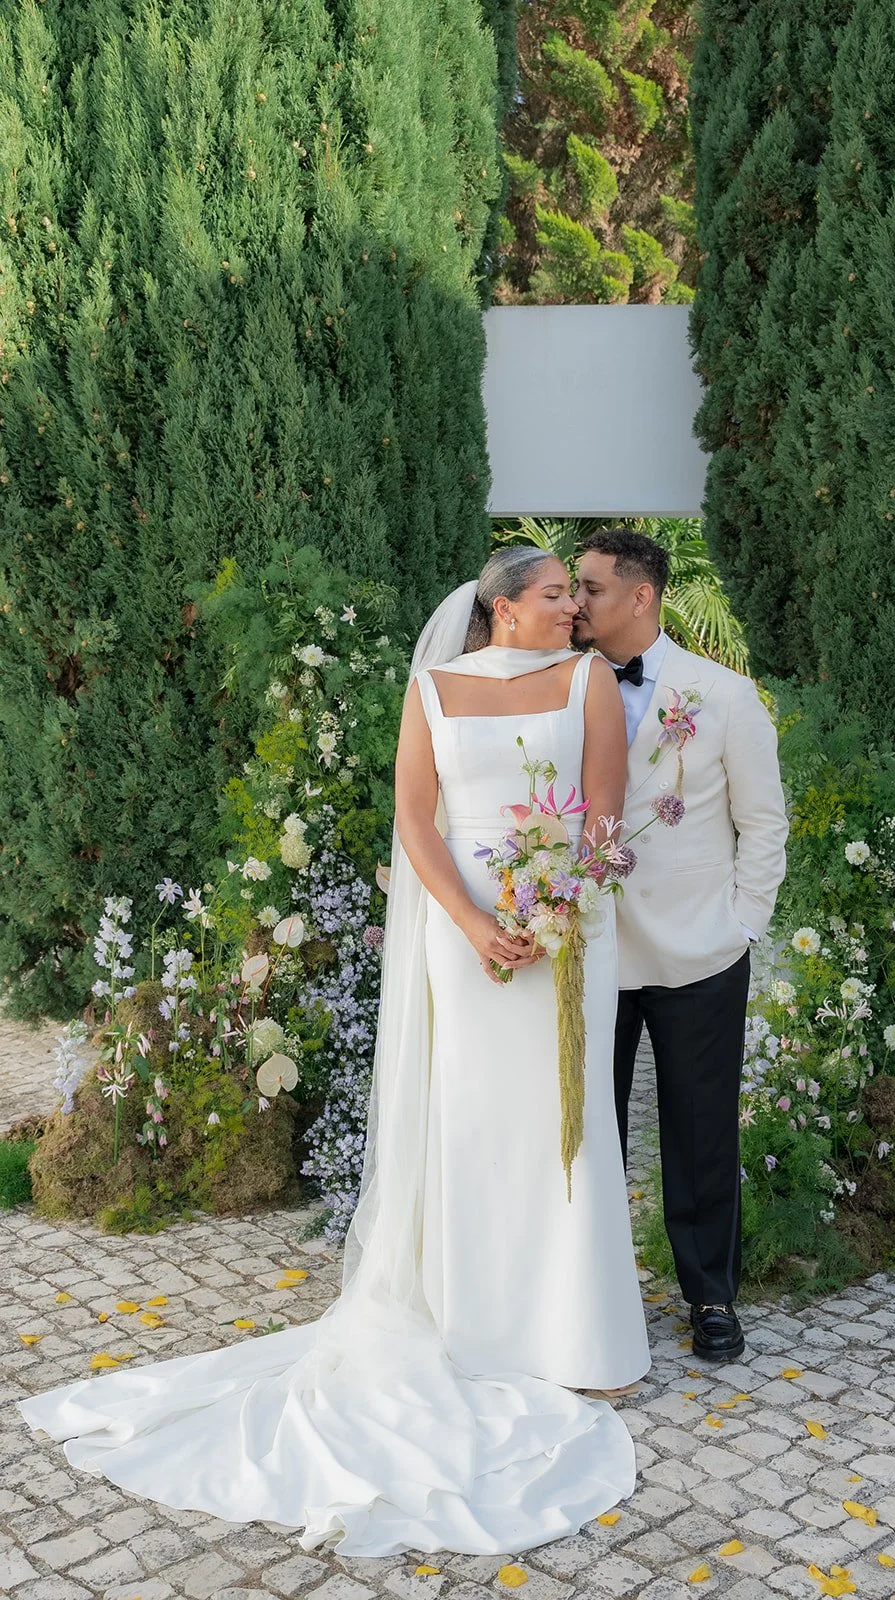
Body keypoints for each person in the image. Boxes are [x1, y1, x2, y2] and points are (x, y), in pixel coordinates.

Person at [19, 548, 650, 1557]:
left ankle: (581, 1333)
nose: (574, 607)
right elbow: (415, 817)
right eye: (554, 594)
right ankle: (474, 1326)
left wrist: (551, 907)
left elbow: (602, 810)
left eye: (576, 595)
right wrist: (478, 925)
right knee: (474, 1121)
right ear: (500, 608)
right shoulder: (433, 687)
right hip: (464, 931)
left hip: (565, 926)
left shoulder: (588, 684)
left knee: (563, 1122)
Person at [573, 528, 788, 1364]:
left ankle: (709, 1297)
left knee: (701, 1129)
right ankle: (590, 1294)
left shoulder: (725, 696)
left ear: (641, 596)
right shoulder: (558, 687)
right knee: (590, 1125)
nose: (576, 602)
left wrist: (742, 926)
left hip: (700, 949)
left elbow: (762, 822)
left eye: (589, 588)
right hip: (590, 945)